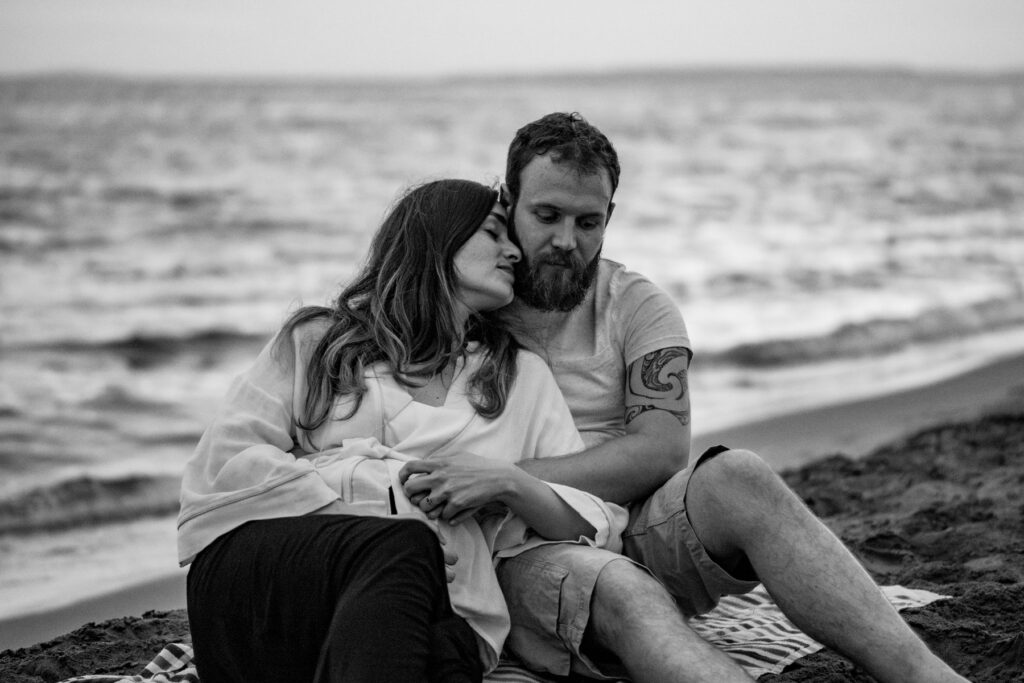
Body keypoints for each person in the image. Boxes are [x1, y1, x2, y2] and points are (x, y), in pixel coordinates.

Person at [411, 114, 969, 682]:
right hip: (516, 545)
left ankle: (927, 675)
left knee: (740, 475)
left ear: (609, 219)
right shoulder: (471, 300)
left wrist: (506, 475)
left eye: (588, 222)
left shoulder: (637, 305)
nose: (565, 241)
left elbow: (658, 452)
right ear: (507, 204)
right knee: (614, 583)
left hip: (634, 528)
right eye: (546, 216)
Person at [177, 179, 626, 683]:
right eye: (494, 232)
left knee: (446, 643)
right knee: (406, 546)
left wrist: (509, 482)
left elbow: (594, 523)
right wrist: (376, 506)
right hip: (268, 597)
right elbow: (223, 467)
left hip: (429, 611)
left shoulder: (519, 378)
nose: (513, 252)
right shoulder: (320, 341)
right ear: (438, 238)